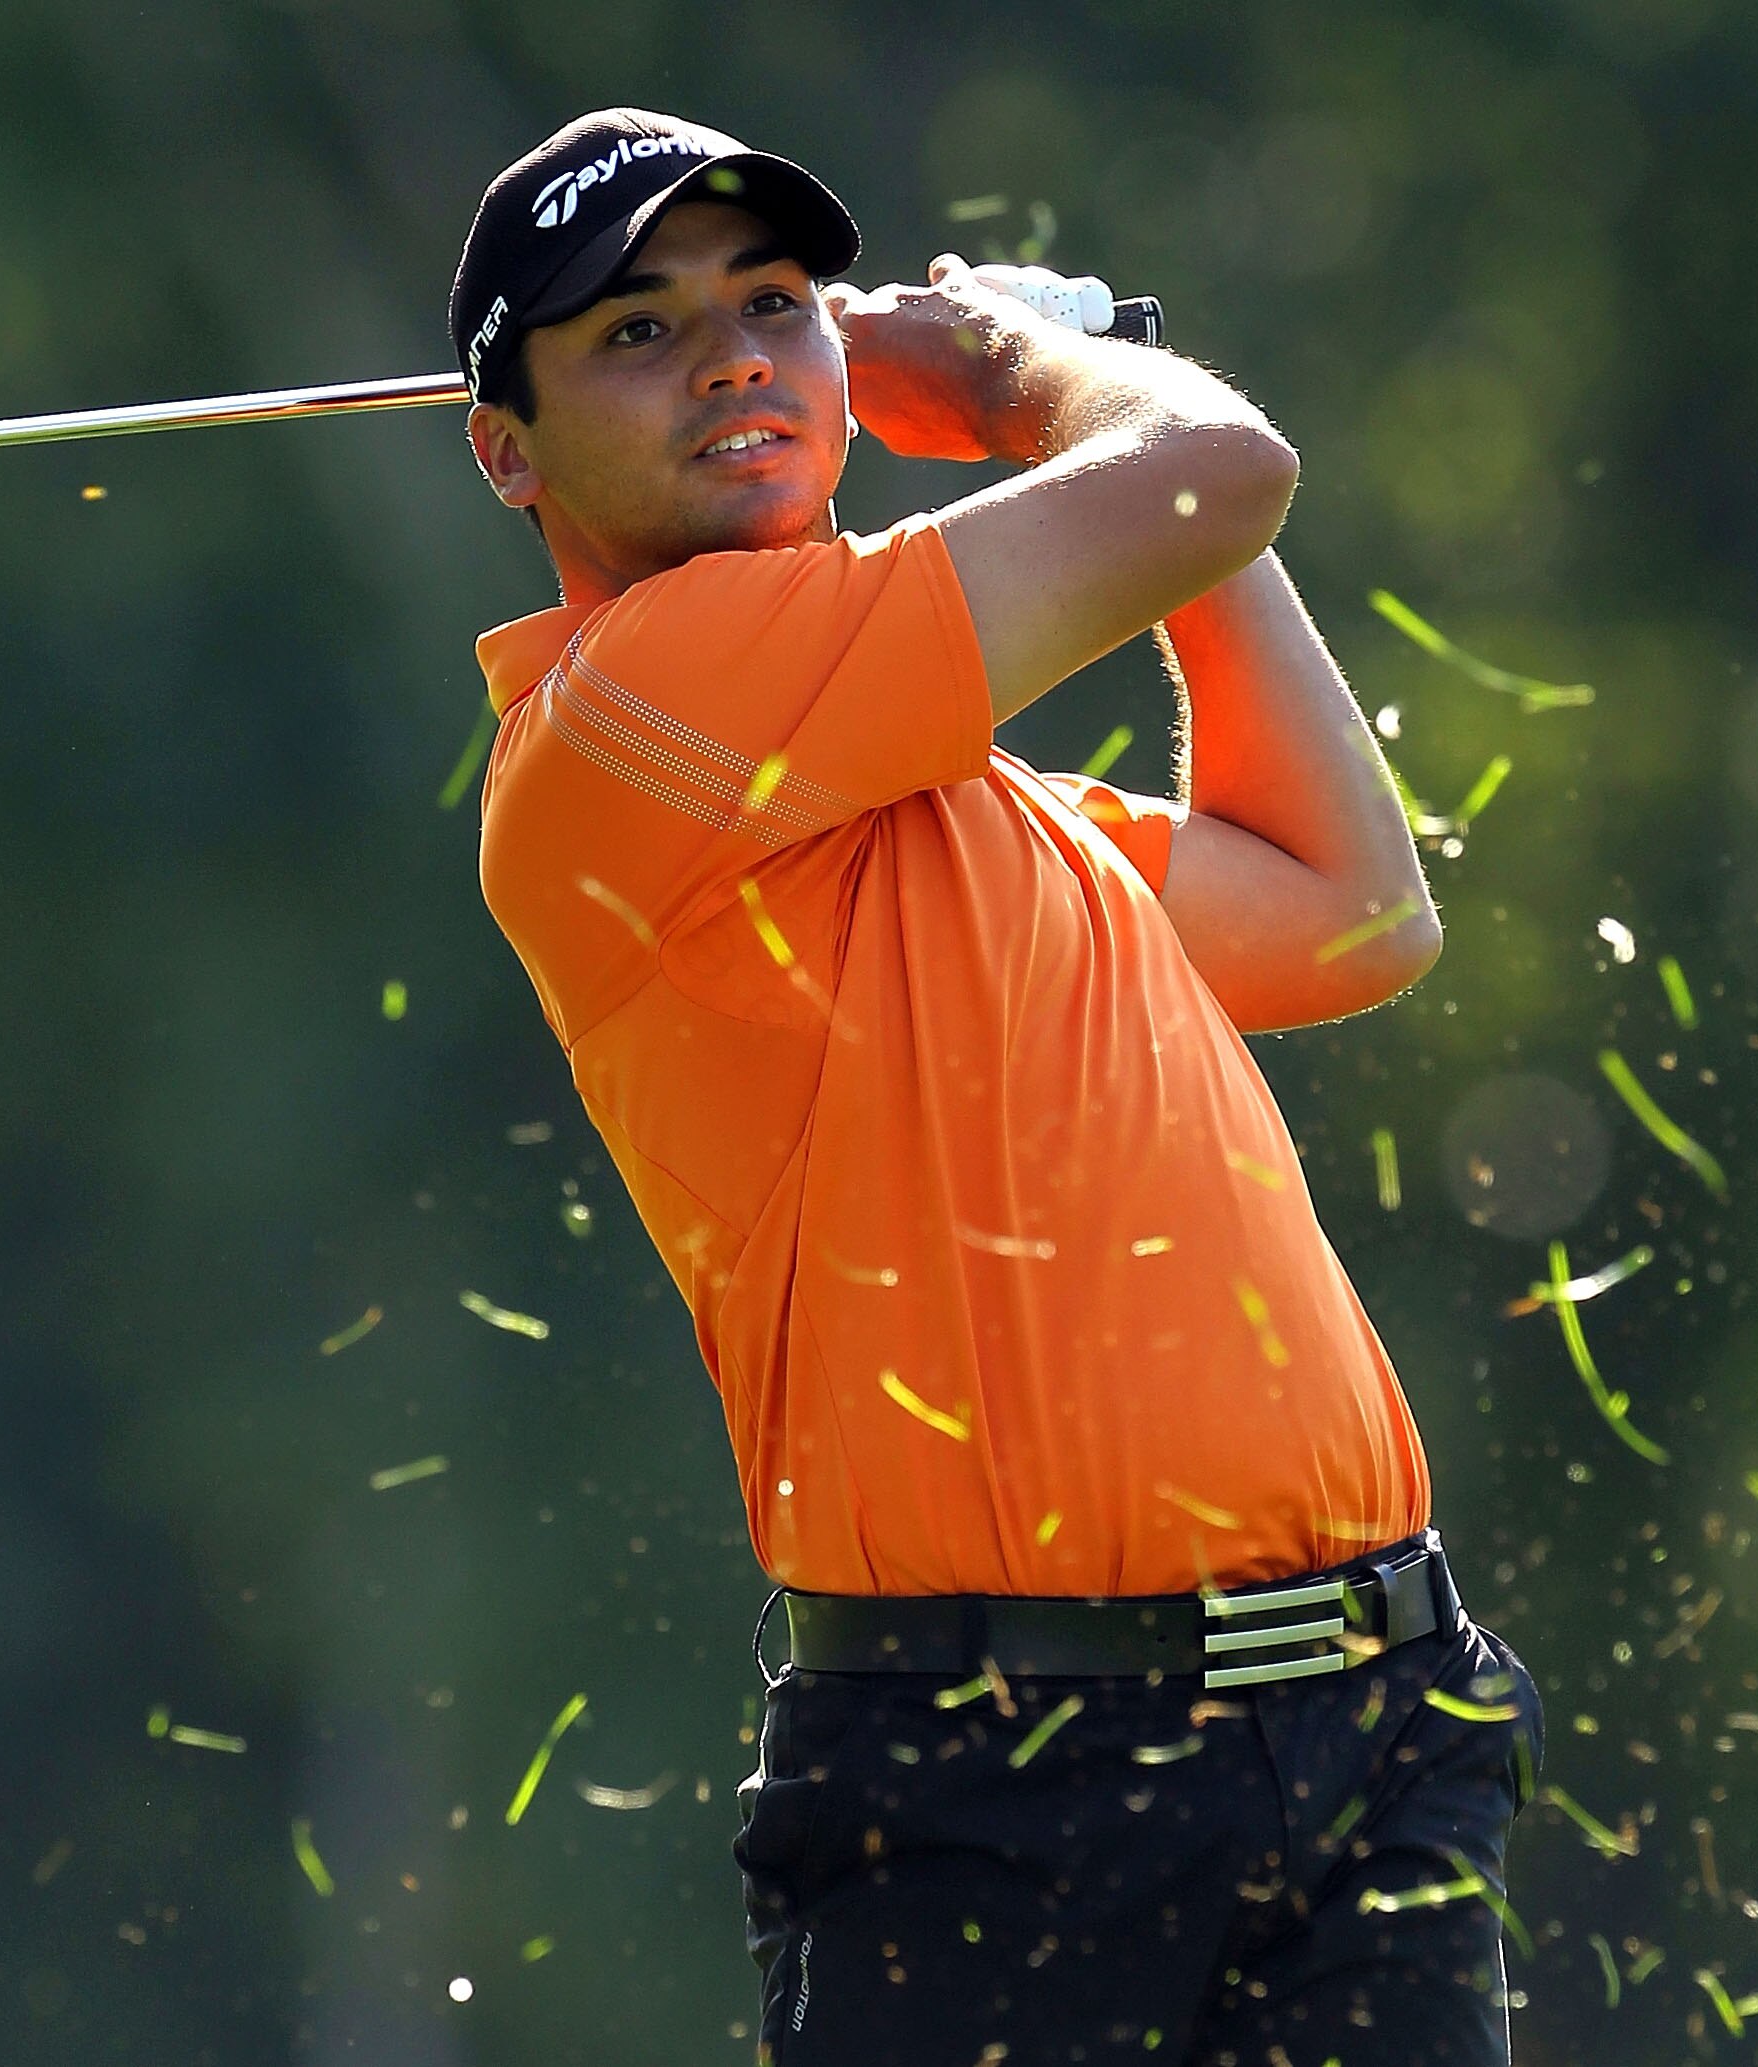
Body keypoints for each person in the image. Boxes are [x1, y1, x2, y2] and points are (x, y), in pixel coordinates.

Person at [447, 108, 1542, 2066]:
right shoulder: (631, 717)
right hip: (999, 1785)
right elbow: (1214, 469)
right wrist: (1025, 373)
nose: (727, 358)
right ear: (501, 448)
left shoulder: (961, 809)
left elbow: (1346, 910)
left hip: (1370, 1731)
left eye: (771, 305)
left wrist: (1088, 406)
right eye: (632, 329)